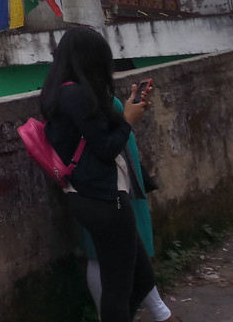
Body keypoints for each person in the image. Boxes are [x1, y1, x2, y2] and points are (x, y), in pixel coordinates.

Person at [40, 26, 155, 322]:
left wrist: (126, 112)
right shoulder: (76, 96)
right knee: (119, 288)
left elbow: (94, 137)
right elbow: (106, 148)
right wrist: (128, 121)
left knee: (141, 280)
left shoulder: (60, 93)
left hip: (87, 197)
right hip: (104, 201)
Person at [82, 94, 179, 322]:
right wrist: (127, 119)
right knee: (110, 252)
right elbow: (103, 144)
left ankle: (158, 313)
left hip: (111, 181)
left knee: (126, 249)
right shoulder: (79, 94)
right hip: (107, 184)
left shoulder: (79, 88)